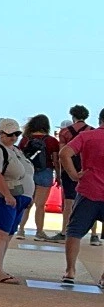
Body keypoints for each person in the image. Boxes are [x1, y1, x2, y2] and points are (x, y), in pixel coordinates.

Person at [0, 118, 33, 285]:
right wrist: (7, 195)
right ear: (1, 134)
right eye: (10, 134)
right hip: (1, 196)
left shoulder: (15, 150)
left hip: (18, 198)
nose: (14, 137)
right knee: (0, 234)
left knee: (7, 235)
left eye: (17, 134)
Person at [60, 109, 104, 285]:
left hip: (88, 189)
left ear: (100, 120)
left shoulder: (88, 136)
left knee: (75, 231)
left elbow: (64, 153)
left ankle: (70, 270)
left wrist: (73, 175)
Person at [54, 105, 96, 245]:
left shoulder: (65, 132)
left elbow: (62, 154)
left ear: (73, 116)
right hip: (86, 169)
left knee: (68, 202)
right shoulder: (92, 131)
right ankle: (94, 235)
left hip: (69, 169)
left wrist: (62, 173)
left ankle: (64, 232)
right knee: (92, 201)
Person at [14, 114, 57, 242]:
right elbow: (55, 160)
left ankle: (20, 230)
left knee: (27, 203)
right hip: (45, 172)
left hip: (28, 172)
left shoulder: (25, 140)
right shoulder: (51, 141)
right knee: (40, 205)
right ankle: (39, 232)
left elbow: (20, 158)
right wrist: (59, 175)